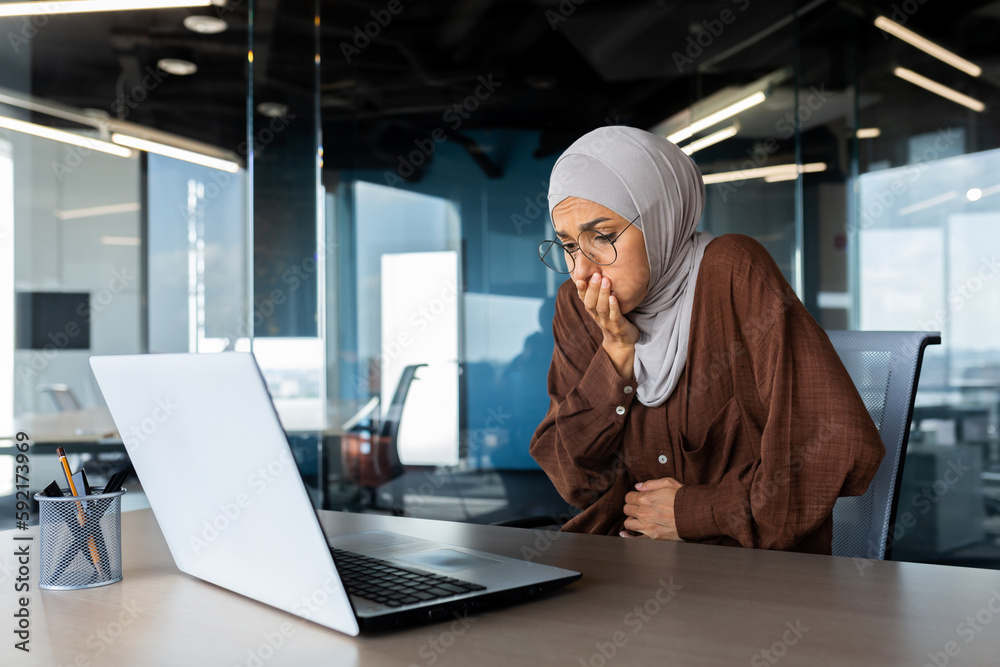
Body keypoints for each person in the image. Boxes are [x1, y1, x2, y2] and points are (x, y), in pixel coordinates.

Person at [528, 126, 884, 554]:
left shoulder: (731, 271)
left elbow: (835, 446)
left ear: (659, 217)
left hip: (746, 580)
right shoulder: (578, 305)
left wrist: (700, 511)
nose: (581, 270)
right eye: (567, 246)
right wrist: (616, 353)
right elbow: (573, 480)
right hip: (616, 574)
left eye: (601, 238)